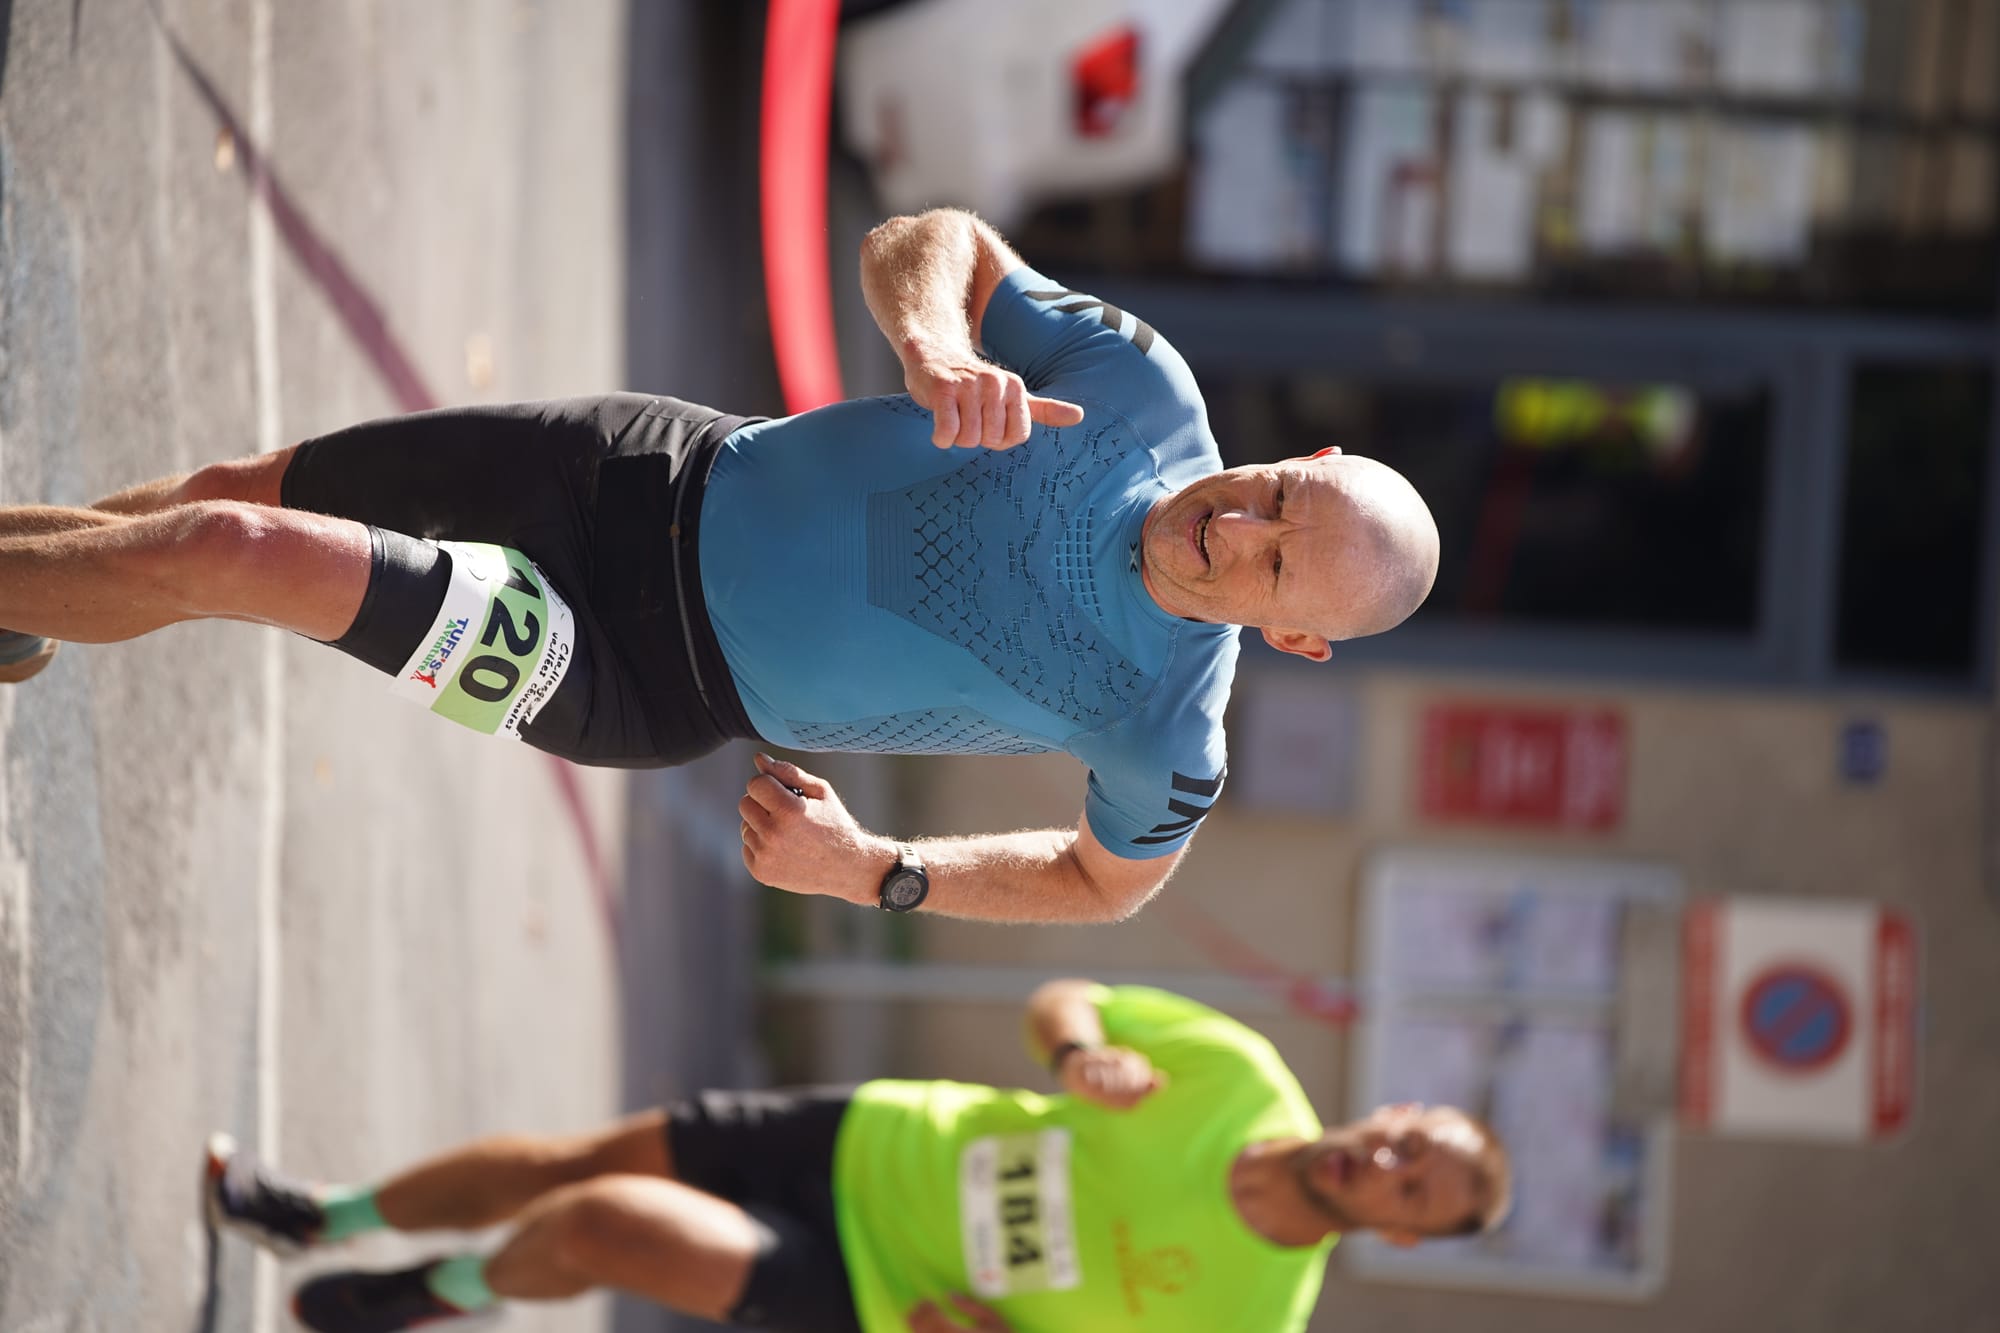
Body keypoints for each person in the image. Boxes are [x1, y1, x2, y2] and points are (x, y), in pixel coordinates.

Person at [0, 209, 1438, 924]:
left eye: (1271, 570)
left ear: (1295, 640)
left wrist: (878, 871)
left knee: (230, 549)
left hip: (627, 674)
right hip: (642, 465)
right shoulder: (1144, 392)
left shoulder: (1172, 729)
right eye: (1269, 501)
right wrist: (934, 338)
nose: (1232, 530)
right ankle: (27, 609)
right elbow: (924, 239)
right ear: (1293, 463)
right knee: (226, 498)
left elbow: (1104, 884)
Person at [205, 979, 1509, 1333]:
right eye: (1412, 1135)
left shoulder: (1252, 1315)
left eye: (1415, 1185)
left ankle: (436, 1296)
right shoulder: (1239, 1071)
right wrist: (1075, 1051)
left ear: (1398, 1231)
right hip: (874, 1130)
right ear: (1391, 1104)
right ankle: (327, 1213)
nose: (1390, 1156)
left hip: (879, 1293)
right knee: (569, 1160)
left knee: (609, 1221)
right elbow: (1070, 993)